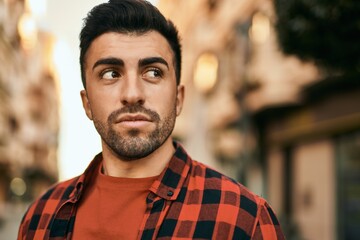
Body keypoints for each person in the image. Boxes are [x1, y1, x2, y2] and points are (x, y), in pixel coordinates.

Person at [18, 0, 285, 239]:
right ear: (87, 102)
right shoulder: (40, 218)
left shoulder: (244, 220)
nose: (132, 94)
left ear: (178, 98)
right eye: (111, 73)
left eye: (153, 73)